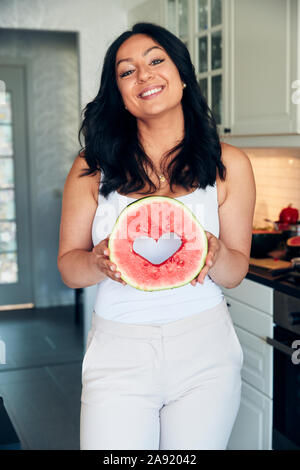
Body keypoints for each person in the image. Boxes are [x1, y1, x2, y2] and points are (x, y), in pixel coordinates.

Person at [57, 22, 256, 450]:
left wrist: (216, 253)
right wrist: (95, 261)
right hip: (118, 349)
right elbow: (69, 268)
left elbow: (236, 270)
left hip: (206, 348)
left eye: (155, 61)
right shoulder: (90, 168)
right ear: (121, 97)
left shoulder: (230, 164)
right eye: (127, 71)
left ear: (182, 75)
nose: (143, 75)